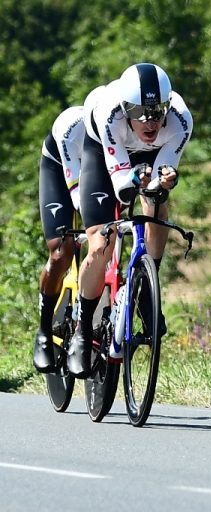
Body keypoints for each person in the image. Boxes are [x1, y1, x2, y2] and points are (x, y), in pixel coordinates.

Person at [67, 63, 193, 378]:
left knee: (158, 200)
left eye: (157, 112)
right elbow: (122, 184)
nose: (150, 122)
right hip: (105, 156)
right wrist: (136, 178)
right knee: (100, 244)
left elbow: (162, 177)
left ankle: (147, 286)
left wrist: (163, 182)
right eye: (140, 112)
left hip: (149, 158)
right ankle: (83, 329)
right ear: (126, 109)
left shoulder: (180, 120)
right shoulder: (109, 113)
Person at [32, 86, 106, 373]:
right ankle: (42, 330)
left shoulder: (117, 131)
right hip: (61, 172)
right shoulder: (70, 126)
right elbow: (77, 190)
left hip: (97, 172)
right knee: (62, 250)